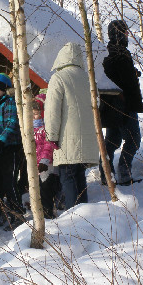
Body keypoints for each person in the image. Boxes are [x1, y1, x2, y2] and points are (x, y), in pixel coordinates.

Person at [45, 43, 99, 210]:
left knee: (67, 178)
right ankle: (85, 215)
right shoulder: (88, 78)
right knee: (80, 176)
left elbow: (52, 111)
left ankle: (73, 218)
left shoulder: (59, 78)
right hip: (87, 139)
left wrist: (51, 136)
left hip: (66, 139)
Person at [98, 20, 143, 186]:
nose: (127, 34)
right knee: (133, 140)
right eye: (125, 31)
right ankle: (123, 174)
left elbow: (111, 76)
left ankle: (106, 174)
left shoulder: (106, 51)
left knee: (112, 140)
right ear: (122, 33)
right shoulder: (121, 53)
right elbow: (127, 82)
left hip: (110, 104)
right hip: (124, 104)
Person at [0, 73, 25, 228]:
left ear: (3, 88)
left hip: (10, 148)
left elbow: (11, 124)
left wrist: (0, 142)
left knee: (10, 181)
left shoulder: (9, 102)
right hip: (0, 149)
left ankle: (18, 214)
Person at [32, 95, 60, 218]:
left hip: (46, 164)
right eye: (31, 114)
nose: (33, 117)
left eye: (36, 114)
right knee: (37, 189)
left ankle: (48, 212)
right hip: (35, 164)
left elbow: (48, 145)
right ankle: (41, 212)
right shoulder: (31, 128)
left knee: (46, 189)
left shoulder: (45, 128)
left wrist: (44, 160)